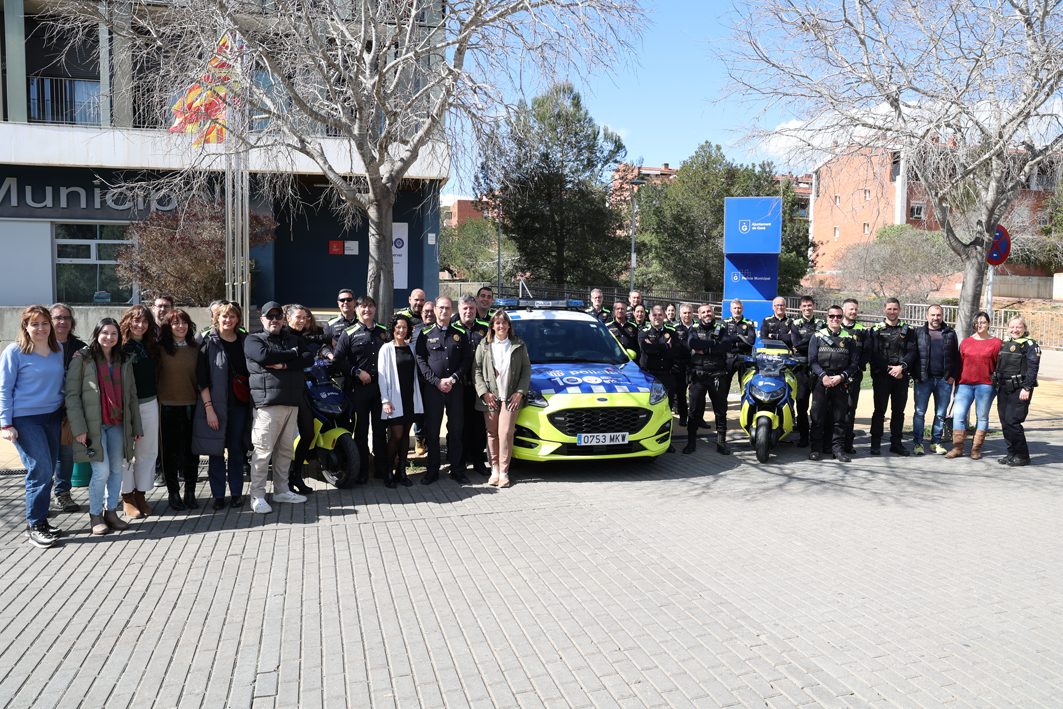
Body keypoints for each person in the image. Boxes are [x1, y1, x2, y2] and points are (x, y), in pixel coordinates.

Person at [66, 318, 144, 535]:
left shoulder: (125, 360)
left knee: (117, 470)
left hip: (118, 424)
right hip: (93, 426)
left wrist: (135, 426)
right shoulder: (82, 359)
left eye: (114, 334)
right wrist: (79, 428)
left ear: (119, 337)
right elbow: (72, 396)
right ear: (97, 334)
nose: (109, 337)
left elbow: (131, 396)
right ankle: (95, 514)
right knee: (101, 471)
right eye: (105, 333)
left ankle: (111, 512)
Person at [1, 306, 67, 548]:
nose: (40, 328)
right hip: (25, 419)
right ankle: (35, 525)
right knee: (39, 469)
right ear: (25, 327)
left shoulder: (57, 349)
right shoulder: (14, 352)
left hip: (53, 416)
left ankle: (41, 521)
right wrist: (5, 423)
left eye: (44, 323)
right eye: (34, 324)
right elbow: (4, 389)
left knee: (46, 470)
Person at [243, 301, 314, 513]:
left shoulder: (292, 339)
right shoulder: (253, 339)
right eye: (269, 316)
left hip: (292, 403)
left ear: (283, 319)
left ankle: (282, 490)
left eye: (277, 317)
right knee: (263, 452)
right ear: (262, 319)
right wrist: (293, 354)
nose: (274, 320)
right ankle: (257, 495)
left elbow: (308, 357)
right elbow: (264, 356)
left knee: (285, 451)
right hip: (267, 405)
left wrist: (284, 363)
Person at [193, 302, 251, 510]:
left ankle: (236, 493)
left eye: (232, 316)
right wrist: (209, 409)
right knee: (215, 451)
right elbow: (202, 379)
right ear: (216, 318)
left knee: (236, 450)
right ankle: (218, 495)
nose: (228, 320)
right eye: (224, 316)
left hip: (239, 405)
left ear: (238, 319)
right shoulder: (208, 342)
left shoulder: (245, 340)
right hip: (214, 406)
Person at [414, 296, 473, 485]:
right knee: (432, 431)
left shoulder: (460, 333)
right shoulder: (425, 333)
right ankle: (432, 470)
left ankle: (456, 469)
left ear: (452, 310)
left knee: (456, 429)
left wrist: (453, 378)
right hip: (433, 389)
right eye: (441, 308)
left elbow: (466, 359)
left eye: (448, 308)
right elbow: (421, 360)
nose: (444, 311)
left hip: (455, 389)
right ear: (435, 310)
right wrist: (436, 381)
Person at [333, 296, 389, 484]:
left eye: (370, 306)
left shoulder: (384, 332)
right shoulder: (349, 333)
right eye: (363, 307)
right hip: (359, 390)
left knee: (381, 430)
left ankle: (382, 469)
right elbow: (337, 361)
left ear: (375, 309)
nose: (367, 310)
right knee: (361, 431)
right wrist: (356, 371)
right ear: (357, 310)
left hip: (381, 390)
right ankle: (362, 471)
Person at [474, 310, 531, 488]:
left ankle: (505, 472)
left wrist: (520, 392)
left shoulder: (518, 344)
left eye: (504, 323)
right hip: (490, 396)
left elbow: (526, 370)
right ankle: (495, 470)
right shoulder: (484, 345)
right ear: (492, 325)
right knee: (491, 433)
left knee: (505, 433)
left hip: (511, 396)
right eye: (497, 323)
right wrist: (484, 392)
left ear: (509, 326)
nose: (501, 326)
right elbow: (476, 370)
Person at [284, 304, 332, 495]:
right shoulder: (283, 336)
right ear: (288, 318)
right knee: (285, 439)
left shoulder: (302, 337)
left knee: (308, 433)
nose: (302, 321)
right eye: (298, 317)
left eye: (305, 318)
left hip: (303, 391)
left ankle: (296, 476)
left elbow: (308, 360)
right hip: (285, 394)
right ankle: (285, 480)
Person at [157, 309, 202, 511]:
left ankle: (190, 492)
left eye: (184, 322)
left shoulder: (196, 348)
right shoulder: (159, 349)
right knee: (170, 454)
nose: (180, 326)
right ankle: (173, 493)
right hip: (167, 407)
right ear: (168, 326)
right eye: (175, 323)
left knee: (192, 453)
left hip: (192, 406)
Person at [118, 305, 161, 518]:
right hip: (125, 407)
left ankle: (141, 494)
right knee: (126, 453)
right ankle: (127, 497)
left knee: (148, 451)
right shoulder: (118, 346)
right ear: (128, 321)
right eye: (136, 321)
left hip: (149, 403)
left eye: (144, 321)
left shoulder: (152, 344)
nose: (140, 325)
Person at [808, 306, 860, 462]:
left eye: (838, 316)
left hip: (840, 382)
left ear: (842, 317)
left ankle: (837, 450)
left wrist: (842, 376)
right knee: (817, 417)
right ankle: (815, 449)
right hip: (821, 382)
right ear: (827, 317)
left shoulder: (849, 338)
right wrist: (823, 376)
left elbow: (854, 362)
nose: (835, 319)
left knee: (839, 419)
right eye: (832, 316)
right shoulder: (817, 336)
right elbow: (812, 360)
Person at [946, 311, 1000, 460]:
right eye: (977, 323)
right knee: (959, 415)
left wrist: (997, 386)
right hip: (965, 384)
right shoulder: (966, 342)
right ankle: (958, 448)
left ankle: (976, 449)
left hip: (986, 385)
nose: (979, 325)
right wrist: (956, 384)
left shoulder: (996, 343)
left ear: (988, 323)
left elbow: (998, 366)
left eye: (983, 322)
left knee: (982, 417)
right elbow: (959, 364)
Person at [377, 313, 421, 488]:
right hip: (394, 399)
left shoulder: (411, 348)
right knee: (396, 435)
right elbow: (381, 377)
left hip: (410, 398)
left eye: (404, 327)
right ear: (392, 329)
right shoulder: (386, 349)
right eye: (398, 327)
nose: (401, 330)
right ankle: (388, 471)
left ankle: (401, 472)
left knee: (405, 436)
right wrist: (385, 400)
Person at [49, 302, 85, 514]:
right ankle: (40, 498)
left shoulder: (80, 347)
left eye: (66, 318)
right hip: (42, 410)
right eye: (57, 318)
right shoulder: (40, 344)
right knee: (44, 457)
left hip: (67, 410)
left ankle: (63, 494)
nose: (62, 322)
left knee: (66, 454)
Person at [684, 304, 733, 455]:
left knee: (720, 411)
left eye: (709, 311)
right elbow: (693, 344)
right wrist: (713, 344)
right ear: (699, 315)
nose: (707, 314)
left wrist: (705, 350)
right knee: (694, 412)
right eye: (703, 312)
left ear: (713, 313)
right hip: (698, 376)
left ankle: (721, 442)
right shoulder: (694, 329)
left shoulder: (721, 329)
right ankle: (691, 443)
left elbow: (727, 346)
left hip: (717, 376)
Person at [869, 298, 916, 456]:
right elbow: (873, 353)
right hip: (882, 375)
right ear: (884, 310)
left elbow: (912, 352)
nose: (892, 312)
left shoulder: (908, 330)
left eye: (895, 309)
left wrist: (901, 367)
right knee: (879, 411)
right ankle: (875, 443)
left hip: (901, 376)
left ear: (900, 310)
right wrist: (890, 369)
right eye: (889, 309)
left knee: (898, 411)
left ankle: (896, 443)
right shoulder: (876, 329)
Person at [912, 304, 959, 456]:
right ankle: (918, 443)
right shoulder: (918, 332)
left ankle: (935, 443)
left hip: (944, 381)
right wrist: (916, 376)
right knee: (919, 413)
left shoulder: (950, 332)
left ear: (942, 316)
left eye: (938, 315)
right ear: (927, 316)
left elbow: (957, 358)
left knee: (940, 414)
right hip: (923, 380)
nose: (935, 318)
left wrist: (952, 377)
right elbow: (912, 356)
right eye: (932, 315)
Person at [993, 316, 1040, 466]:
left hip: (1020, 389)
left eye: (1018, 327)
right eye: (1012, 327)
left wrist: (1027, 387)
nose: (1015, 330)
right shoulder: (1006, 342)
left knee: (1013, 421)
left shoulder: (1030, 345)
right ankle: (1011, 453)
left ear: (1025, 328)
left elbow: (1033, 368)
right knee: (1005, 422)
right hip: (1004, 387)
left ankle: (1023, 455)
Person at [639, 305, 685, 451]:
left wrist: (656, 348)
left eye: (660, 315)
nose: (657, 317)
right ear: (650, 316)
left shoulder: (672, 332)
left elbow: (675, 352)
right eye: (655, 315)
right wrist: (665, 347)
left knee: (667, 409)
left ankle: (667, 440)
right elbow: (646, 349)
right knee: (649, 408)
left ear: (664, 316)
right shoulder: (643, 332)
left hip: (667, 377)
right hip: (649, 377)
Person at [458, 295, 490, 476]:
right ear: (460, 309)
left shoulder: (485, 329)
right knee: (459, 426)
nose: (469, 311)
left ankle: (479, 461)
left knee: (479, 427)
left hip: (480, 388)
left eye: (471, 308)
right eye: (465, 308)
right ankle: (460, 462)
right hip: (460, 386)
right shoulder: (453, 328)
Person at [790, 296, 824, 448]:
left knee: (818, 405)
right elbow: (796, 344)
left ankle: (817, 436)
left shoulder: (821, 324)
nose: (807, 308)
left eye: (809, 305)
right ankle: (803, 437)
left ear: (814, 306)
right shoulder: (795, 323)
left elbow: (822, 344)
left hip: (817, 368)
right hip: (801, 368)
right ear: (800, 307)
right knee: (801, 404)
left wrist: (804, 345)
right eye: (804, 306)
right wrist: (813, 342)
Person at [840, 299, 871, 454]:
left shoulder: (862, 330)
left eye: (855, 309)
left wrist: (856, 367)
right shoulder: (835, 327)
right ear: (843, 309)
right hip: (836, 376)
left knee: (851, 409)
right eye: (850, 309)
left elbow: (867, 352)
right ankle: (831, 442)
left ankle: (848, 443)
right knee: (834, 409)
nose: (853, 312)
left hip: (854, 376)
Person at [409, 299, 435, 457]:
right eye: (426, 311)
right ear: (421, 313)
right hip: (417, 377)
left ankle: (432, 441)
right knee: (419, 410)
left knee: (433, 412)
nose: (429, 314)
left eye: (432, 311)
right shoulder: (413, 330)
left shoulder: (441, 329)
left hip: (435, 378)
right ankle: (419, 439)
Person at [672, 303, 695, 426]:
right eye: (684, 313)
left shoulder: (698, 327)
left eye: (689, 312)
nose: (687, 315)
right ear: (680, 314)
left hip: (695, 364)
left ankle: (697, 418)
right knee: (681, 393)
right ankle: (683, 416)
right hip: (680, 364)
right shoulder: (674, 327)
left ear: (693, 313)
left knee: (695, 393)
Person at [725, 299, 757, 378]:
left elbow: (751, 341)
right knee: (724, 385)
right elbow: (724, 339)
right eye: (735, 308)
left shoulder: (749, 323)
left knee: (745, 386)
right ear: (731, 309)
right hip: (729, 357)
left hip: (744, 357)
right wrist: (742, 337)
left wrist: (732, 337)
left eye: (739, 308)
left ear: (742, 309)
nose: (737, 310)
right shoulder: (725, 322)